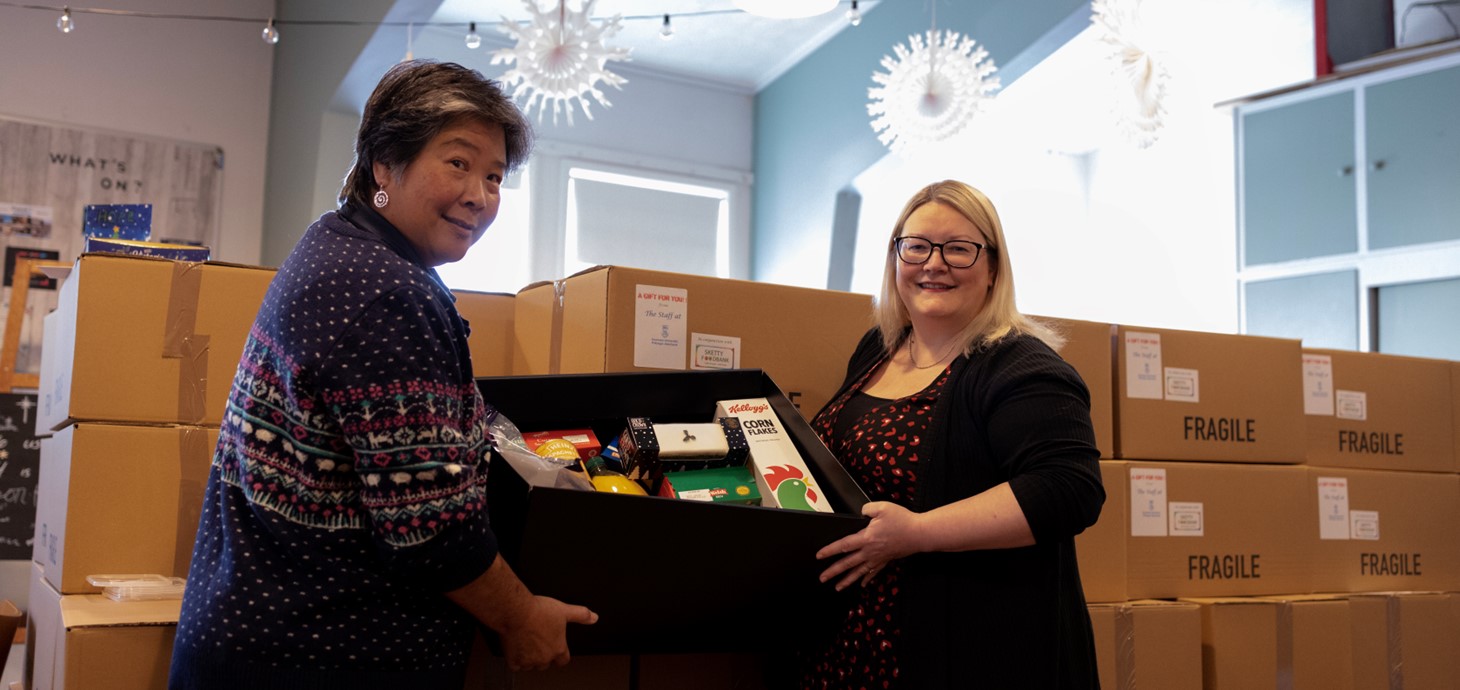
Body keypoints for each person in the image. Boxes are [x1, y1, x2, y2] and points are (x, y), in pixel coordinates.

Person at [169, 60, 596, 689]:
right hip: (318, 658)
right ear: (384, 166)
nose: (480, 194)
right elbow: (431, 527)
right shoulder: (386, 292)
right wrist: (521, 616)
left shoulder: (340, 246)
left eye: (495, 176)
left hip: (264, 642)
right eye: (458, 163)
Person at [803, 180, 1105, 689]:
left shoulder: (1021, 366)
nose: (934, 263)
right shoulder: (879, 349)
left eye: (959, 249)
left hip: (963, 651)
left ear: (992, 270)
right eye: (916, 246)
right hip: (851, 646)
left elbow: (1068, 490)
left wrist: (916, 534)